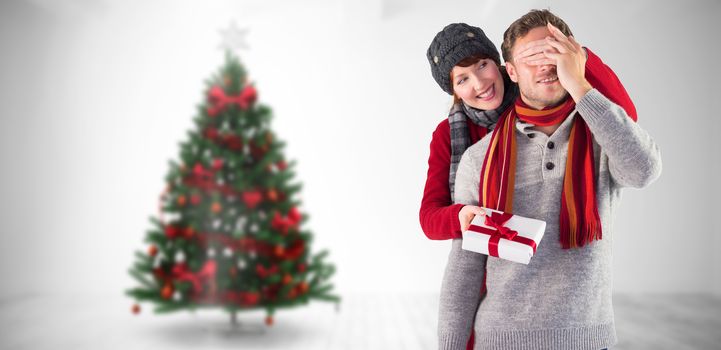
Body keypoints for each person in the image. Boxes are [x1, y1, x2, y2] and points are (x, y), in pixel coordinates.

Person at [437, 9, 661, 350]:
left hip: (586, 338)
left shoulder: (604, 134)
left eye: (553, 51)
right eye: (532, 57)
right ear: (510, 71)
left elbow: (644, 171)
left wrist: (580, 83)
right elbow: (463, 272)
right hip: (499, 340)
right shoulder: (478, 158)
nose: (545, 64)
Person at [420, 23, 637, 243]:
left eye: (482, 65)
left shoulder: (539, 97)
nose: (479, 83)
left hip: (564, 242)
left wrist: (580, 57)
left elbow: (625, 122)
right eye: (462, 79)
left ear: (500, 63)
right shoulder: (448, 134)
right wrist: (461, 215)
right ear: (454, 90)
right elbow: (429, 217)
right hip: (498, 254)